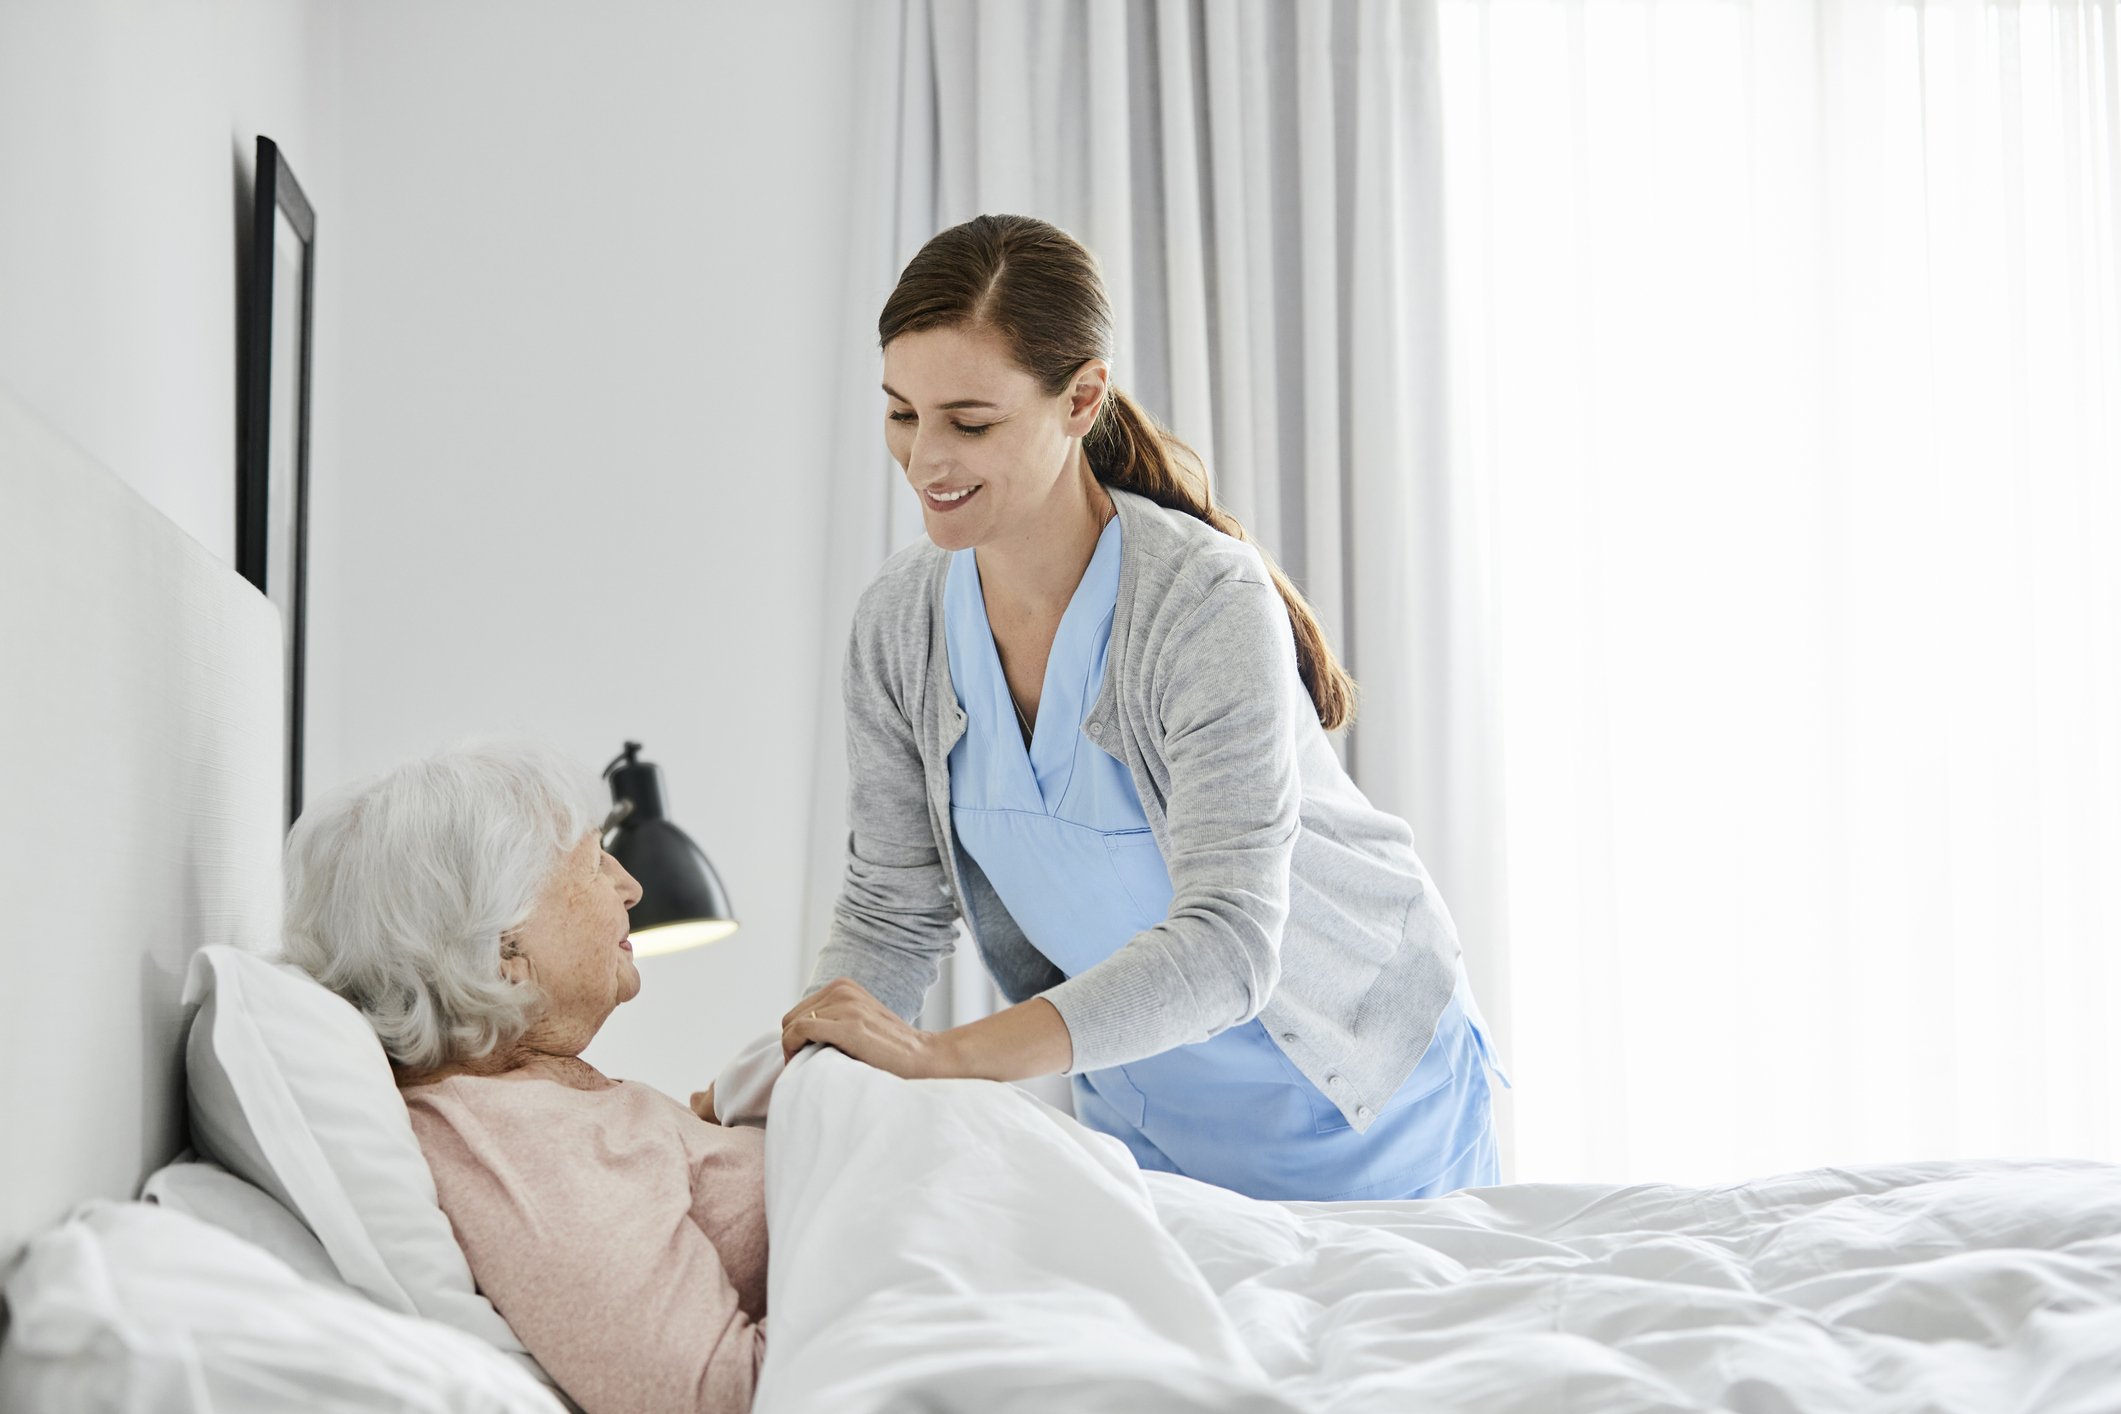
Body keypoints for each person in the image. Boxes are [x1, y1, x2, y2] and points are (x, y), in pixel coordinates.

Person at [705, 213, 1510, 1204]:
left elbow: (1225, 944)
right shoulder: (898, 627)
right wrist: (807, 1084)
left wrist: (943, 1058)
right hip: (1152, 1111)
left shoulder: (1202, 603)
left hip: (1363, 1096)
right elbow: (891, 915)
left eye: (970, 420)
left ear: (1080, 398)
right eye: (901, 413)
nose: (924, 460)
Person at [282, 739, 766, 1414]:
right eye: (595, 862)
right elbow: (719, 1396)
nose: (631, 886)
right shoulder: (521, 1146)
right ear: (505, 942)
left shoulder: (540, 1102)